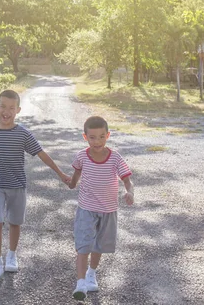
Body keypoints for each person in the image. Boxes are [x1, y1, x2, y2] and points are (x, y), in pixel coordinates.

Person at [0, 89, 71, 282]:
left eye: (11, 108)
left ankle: (12, 255)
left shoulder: (22, 133)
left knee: (15, 223)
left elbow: (41, 154)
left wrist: (60, 173)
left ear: (18, 110)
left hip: (17, 185)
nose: (6, 111)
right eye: (3, 107)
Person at [68, 115, 134, 300]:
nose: (97, 141)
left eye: (101, 136)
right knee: (83, 245)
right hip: (86, 208)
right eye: (92, 137)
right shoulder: (82, 156)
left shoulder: (115, 158)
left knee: (98, 245)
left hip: (108, 210)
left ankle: (91, 274)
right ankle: (80, 283)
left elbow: (128, 180)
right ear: (85, 137)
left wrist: (130, 193)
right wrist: (71, 183)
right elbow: (76, 175)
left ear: (108, 135)